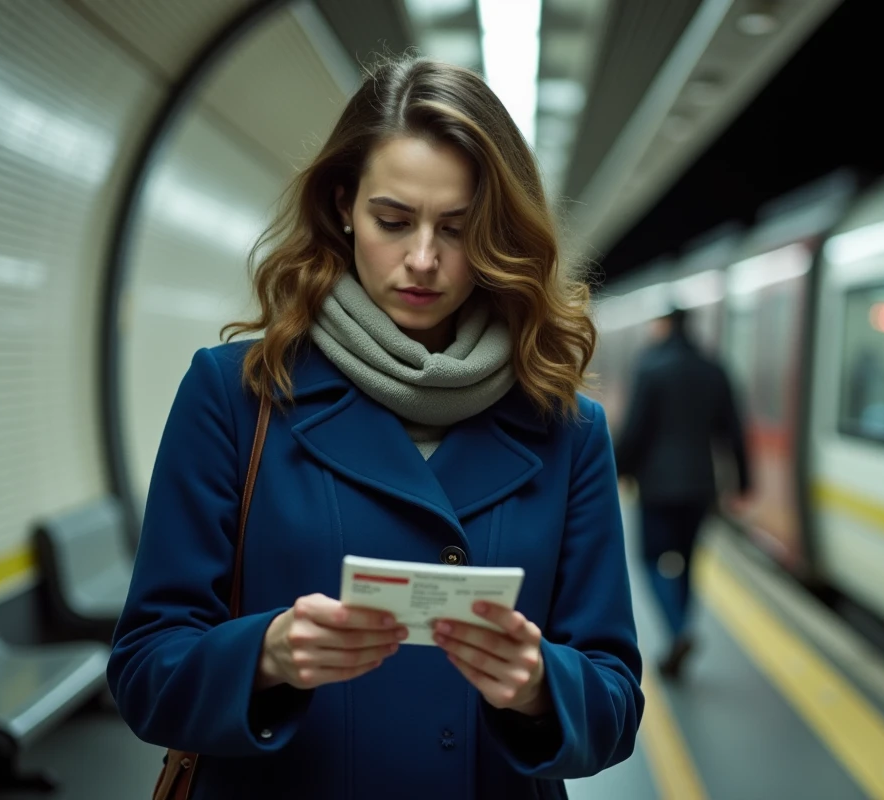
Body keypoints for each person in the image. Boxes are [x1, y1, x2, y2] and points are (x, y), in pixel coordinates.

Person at [107, 55, 643, 799]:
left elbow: (616, 704)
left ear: (497, 234)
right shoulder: (237, 395)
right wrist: (267, 655)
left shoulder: (566, 426)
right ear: (343, 208)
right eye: (393, 221)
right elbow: (144, 669)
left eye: (457, 229)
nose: (422, 260)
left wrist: (540, 684)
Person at [614, 307, 750, 681]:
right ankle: (681, 631)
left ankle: (678, 632)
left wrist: (619, 469)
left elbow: (635, 427)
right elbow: (733, 430)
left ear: (665, 326)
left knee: (648, 559)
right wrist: (743, 481)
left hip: (656, 485)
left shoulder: (651, 366)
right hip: (700, 485)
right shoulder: (713, 368)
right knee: (688, 563)